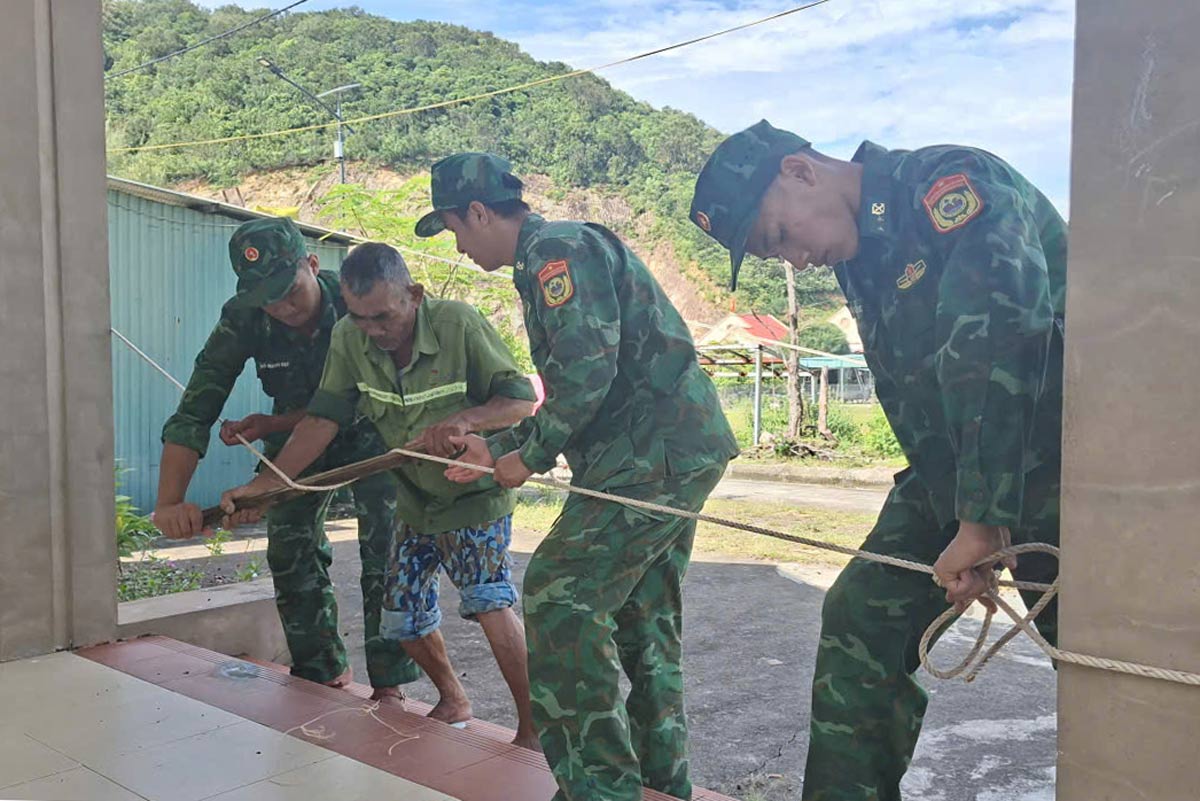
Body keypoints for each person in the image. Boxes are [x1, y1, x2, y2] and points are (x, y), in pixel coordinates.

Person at [689, 120, 1065, 801]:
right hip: (957, 479)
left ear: (800, 172)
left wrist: (982, 521)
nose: (791, 260)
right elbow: (920, 400)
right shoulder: (859, 260)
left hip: (1075, 463)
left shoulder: (948, 186)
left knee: (1121, 666)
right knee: (862, 616)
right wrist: (964, 514)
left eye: (777, 235)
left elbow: (1003, 341)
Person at [418, 152, 740, 801]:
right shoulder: (552, 253)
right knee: (644, 618)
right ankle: (660, 780)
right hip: (667, 451)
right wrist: (498, 445)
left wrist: (521, 457)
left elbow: (586, 376)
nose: (457, 242)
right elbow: (579, 383)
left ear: (479, 212)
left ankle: (599, 787)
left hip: (649, 457)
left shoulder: (554, 252)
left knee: (558, 596)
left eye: (454, 227)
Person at [219, 242, 540, 749]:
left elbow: (520, 402)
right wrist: (268, 485)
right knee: (402, 617)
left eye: (384, 317)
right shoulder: (349, 338)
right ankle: (453, 698)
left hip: (472, 497)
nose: (374, 330)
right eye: (360, 317)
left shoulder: (458, 324)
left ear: (413, 294)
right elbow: (323, 418)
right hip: (412, 501)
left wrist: (464, 420)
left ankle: (533, 725)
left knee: (487, 603)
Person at [154, 217, 420, 700]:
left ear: (313, 265)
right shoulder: (245, 316)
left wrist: (265, 472)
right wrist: (170, 501)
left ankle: (390, 685)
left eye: (289, 290)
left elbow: (350, 403)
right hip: (300, 438)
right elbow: (196, 408)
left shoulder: (356, 303)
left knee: (386, 552)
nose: (282, 307)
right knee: (289, 545)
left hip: (376, 430)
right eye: (267, 298)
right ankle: (320, 671)